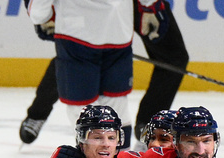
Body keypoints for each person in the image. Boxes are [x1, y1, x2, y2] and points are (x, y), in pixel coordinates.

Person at [26, 0, 165, 145]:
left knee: (83, 108)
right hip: (119, 32)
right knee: (116, 106)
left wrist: (42, 16)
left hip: (77, 35)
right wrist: (150, 6)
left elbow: (38, 11)